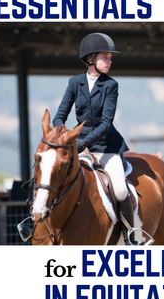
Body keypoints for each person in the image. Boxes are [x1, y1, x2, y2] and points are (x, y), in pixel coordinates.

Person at [53, 32, 137, 245]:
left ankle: (131, 233)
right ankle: (36, 220)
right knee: (52, 174)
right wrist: (60, 132)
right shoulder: (75, 83)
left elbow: (106, 123)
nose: (110, 61)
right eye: (105, 57)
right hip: (78, 144)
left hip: (107, 146)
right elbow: (61, 114)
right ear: (91, 59)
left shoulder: (110, 85)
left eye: (110, 57)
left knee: (119, 189)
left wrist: (81, 143)